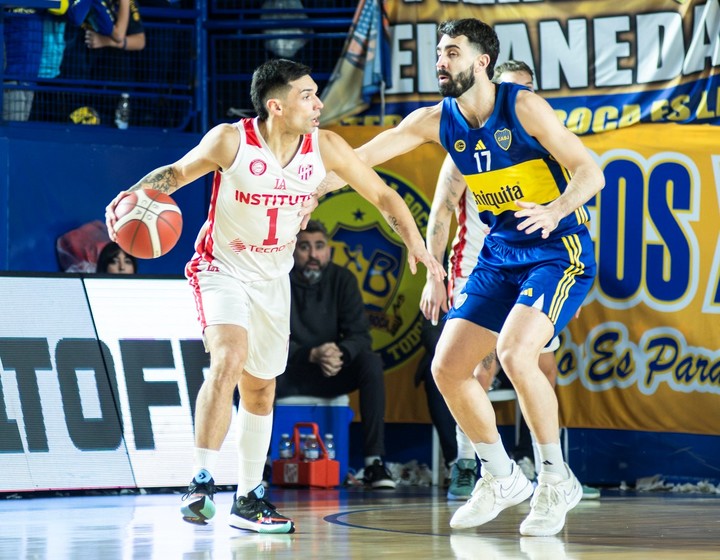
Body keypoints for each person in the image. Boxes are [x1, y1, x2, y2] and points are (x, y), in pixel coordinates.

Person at [104, 58, 444, 534]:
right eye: (308, 95)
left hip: (271, 278)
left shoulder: (325, 147)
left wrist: (417, 245)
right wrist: (129, 198)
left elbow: (385, 196)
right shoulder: (230, 140)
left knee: (261, 388)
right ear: (276, 106)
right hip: (220, 267)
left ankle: (247, 498)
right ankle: (201, 483)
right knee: (229, 357)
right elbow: (176, 175)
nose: (319, 103)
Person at [310, 20, 604, 537]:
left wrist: (556, 210)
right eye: (438, 52)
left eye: (451, 52)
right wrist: (314, 188)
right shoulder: (436, 121)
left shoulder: (524, 107)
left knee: (517, 354)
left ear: (482, 62)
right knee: (447, 368)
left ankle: (556, 479)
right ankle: (500, 475)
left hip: (558, 250)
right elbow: (365, 158)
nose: (440, 61)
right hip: (500, 254)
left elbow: (591, 170)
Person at [417, 59, 599, 502]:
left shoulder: (538, 131)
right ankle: (479, 465)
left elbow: (589, 172)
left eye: (526, 92)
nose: (517, 100)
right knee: (465, 364)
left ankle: (550, 471)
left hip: (546, 256)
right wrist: (433, 271)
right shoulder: (462, 138)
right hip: (485, 259)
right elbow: (441, 209)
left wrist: (557, 210)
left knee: (532, 361)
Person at [276, 219, 396, 489]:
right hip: (290, 371)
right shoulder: (278, 280)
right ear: (293, 250)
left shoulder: (343, 279)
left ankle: (374, 464)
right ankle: (258, 465)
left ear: (328, 250)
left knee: (370, 363)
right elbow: (269, 339)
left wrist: (338, 353)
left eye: (319, 246)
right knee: (250, 376)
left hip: (331, 370)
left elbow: (360, 336)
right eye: (305, 247)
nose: (313, 254)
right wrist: (311, 354)